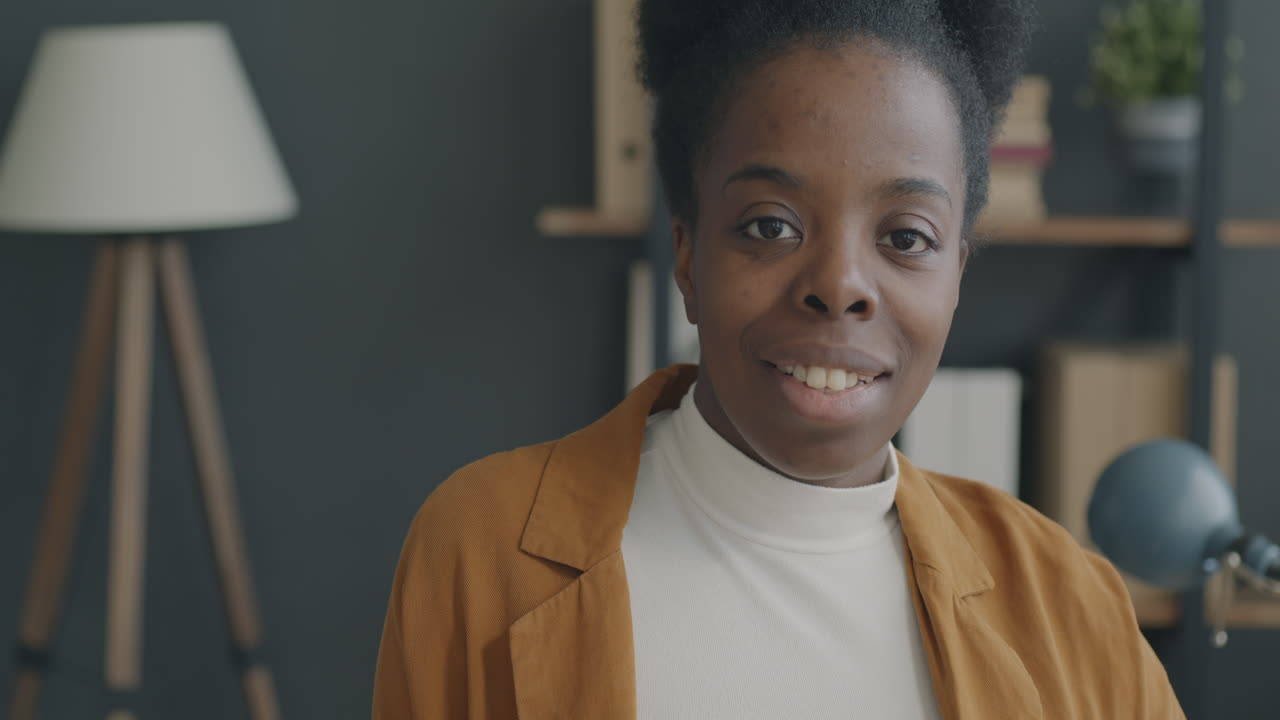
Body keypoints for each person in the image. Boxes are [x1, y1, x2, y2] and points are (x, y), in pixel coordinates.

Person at [372, 1, 1185, 717]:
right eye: (770, 225)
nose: (838, 286)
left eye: (906, 238)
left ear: (956, 278)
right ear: (686, 259)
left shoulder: (1071, 606)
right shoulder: (481, 549)